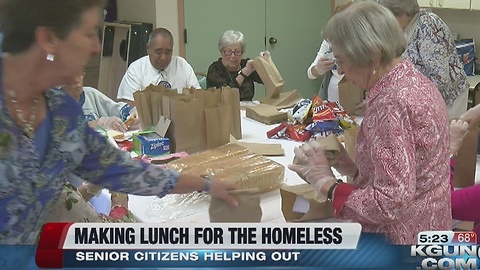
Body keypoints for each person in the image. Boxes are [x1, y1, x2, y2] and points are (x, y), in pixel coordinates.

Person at [0, 0, 237, 245]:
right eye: (89, 33)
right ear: (49, 39)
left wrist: (205, 184)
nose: (96, 46)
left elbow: (122, 171)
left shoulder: (62, 112)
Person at [288, 1, 451, 245]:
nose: (340, 71)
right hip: (431, 227)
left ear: (373, 55)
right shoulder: (413, 81)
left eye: (342, 61)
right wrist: (350, 166)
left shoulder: (390, 103)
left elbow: (390, 203)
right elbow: (405, 171)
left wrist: (328, 185)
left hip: (401, 242)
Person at [377, 0, 469, 119]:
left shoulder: (428, 26)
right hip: (426, 98)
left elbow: (440, 79)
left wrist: (407, 100)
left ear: (403, 14)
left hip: (447, 100)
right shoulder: (408, 27)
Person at [117, 27, 200, 106]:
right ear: (148, 49)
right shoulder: (136, 70)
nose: (163, 57)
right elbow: (129, 103)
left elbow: (197, 95)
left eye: (168, 52)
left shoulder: (182, 65)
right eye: (158, 52)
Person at [307, 1, 354, 102]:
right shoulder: (329, 41)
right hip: (332, 95)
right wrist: (319, 68)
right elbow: (310, 74)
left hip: (357, 96)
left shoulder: (364, 43)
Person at [62, 73, 140, 132]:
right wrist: (98, 124)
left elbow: (116, 108)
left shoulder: (91, 94)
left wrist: (132, 112)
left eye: (79, 73)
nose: (77, 80)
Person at [206, 30, 264, 101]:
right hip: (224, 110)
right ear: (221, 52)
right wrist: (243, 74)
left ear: (242, 53)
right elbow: (225, 97)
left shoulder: (245, 64)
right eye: (228, 51)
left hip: (248, 108)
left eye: (237, 52)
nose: (233, 56)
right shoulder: (215, 69)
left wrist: (266, 63)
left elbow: (267, 81)